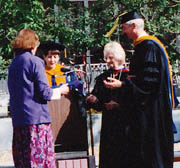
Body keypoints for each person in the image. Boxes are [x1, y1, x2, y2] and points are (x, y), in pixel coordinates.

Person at [104, 11, 175, 168]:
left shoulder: (149, 47)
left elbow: (148, 84)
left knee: (150, 156)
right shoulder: (145, 46)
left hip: (151, 114)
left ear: (134, 25)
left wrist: (122, 85)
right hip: (148, 111)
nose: (123, 32)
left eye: (124, 28)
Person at [8, 29, 69, 167]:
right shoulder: (35, 61)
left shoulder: (14, 63)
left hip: (19, 121)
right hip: (37, 121)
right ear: (33, 44)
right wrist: (61, 90)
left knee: (24, 161)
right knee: (39, 161)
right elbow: (45, 93)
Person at [86, 41, 130, 168]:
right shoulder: (102, 78)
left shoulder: (130, 77)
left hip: (127, 123)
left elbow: (137, 100)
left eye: (111, 57)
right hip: (109, 124)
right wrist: (94, 100)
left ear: (119, 56)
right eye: (106, 58)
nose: (108, 61)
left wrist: (119, 105)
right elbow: (98, 103)